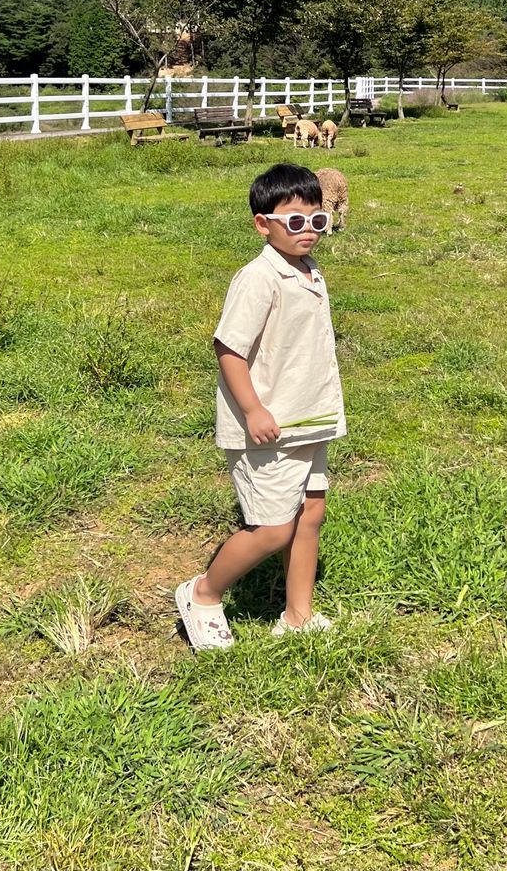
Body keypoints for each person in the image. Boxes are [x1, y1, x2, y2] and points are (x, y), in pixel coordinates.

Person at [175, 162, 346, 650]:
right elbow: (229, 349)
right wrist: (253, 410)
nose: (308, 231)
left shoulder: (310, 272)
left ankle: (298, 615)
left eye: (318, 221)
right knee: (272, 529)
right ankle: (203, 594)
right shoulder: (258, 278)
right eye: (294, 221)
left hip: (309, 417)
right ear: (262, 224)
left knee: (310, 515)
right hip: (267, 426)